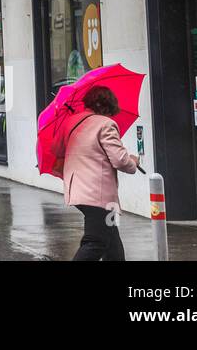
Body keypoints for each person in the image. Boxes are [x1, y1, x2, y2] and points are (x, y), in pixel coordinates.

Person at [62, 85, 139, 261]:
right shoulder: (105, 124)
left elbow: (57, 149)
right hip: (97, 194)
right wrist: (133, 162)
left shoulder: (71, 123)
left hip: (78, 191)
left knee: (112, 243)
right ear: (107, 106)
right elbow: (120, 160)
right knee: (95, 242)